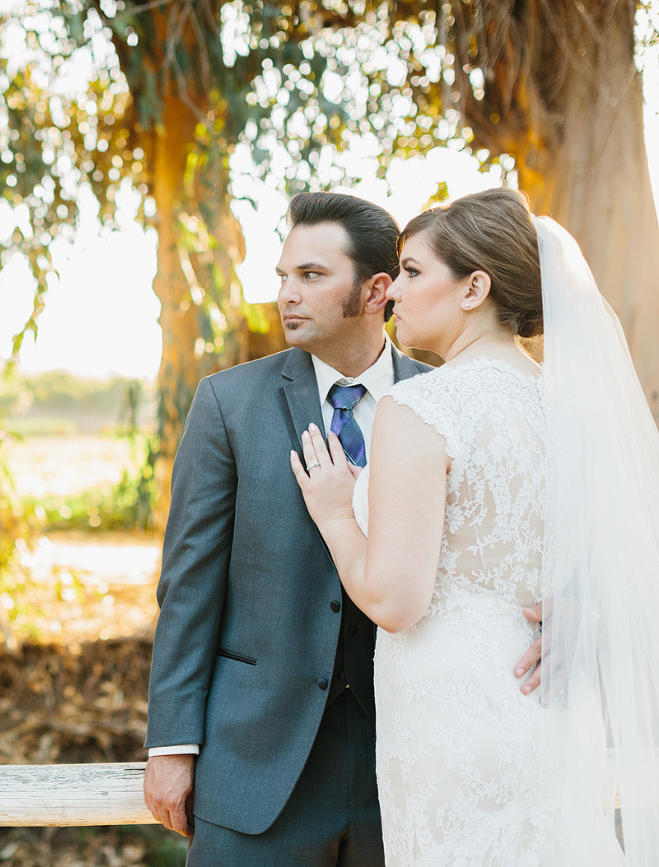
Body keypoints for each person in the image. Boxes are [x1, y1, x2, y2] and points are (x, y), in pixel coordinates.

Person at [291, 187, 659, 863]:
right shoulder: (571, 407)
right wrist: (586, 608)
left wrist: (338, 514)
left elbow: (395, 601)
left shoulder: (422, 406)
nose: (391, 293)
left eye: (411, 271)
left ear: (473, 288)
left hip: (450, 717)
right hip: (548, 705)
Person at [143, 192, 449, 865]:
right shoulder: (227, 403)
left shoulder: (444, 400)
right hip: (254, 760)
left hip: (406, 763)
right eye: (282, 276)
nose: (286, 294)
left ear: (376, 290)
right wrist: (170, 744)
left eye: (310, 276)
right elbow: (188, 585)